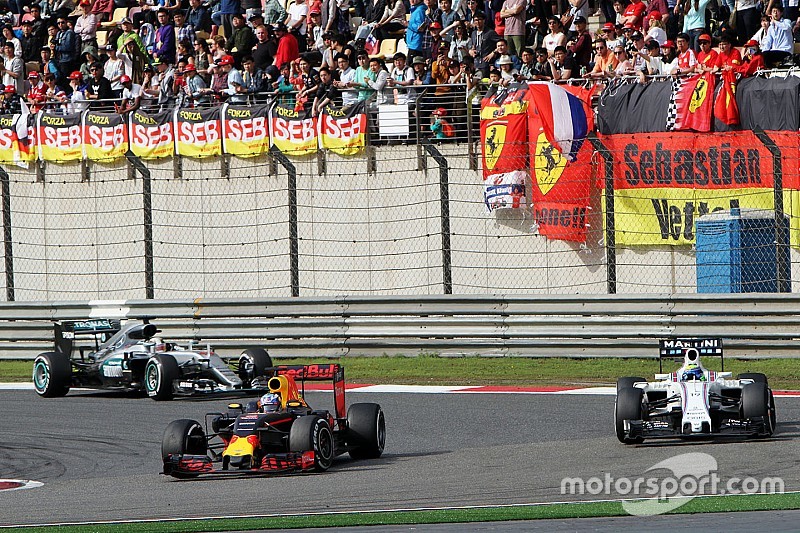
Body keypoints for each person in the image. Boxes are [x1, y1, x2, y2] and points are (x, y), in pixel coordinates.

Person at [469, 11, 499, 77]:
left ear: (484, 20)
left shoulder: (490, 32)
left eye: (480, 19)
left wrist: (493, 53)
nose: (478, 22)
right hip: (476, 63)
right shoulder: (473, 33)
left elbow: (502, 43)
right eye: (476, 20)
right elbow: (473, 46)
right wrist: (471, 51)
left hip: (487, 63)